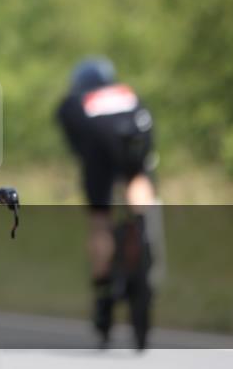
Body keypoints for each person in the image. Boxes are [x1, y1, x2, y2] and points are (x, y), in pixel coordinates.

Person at [55, 57, 160, 350]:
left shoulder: (73, 101)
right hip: (134, 139)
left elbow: (78, 147)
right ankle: (141, 223)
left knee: (100, 219)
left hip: (97, 147)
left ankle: (103, 288)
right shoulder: (128, 93)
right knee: (136, 175)